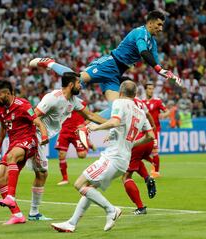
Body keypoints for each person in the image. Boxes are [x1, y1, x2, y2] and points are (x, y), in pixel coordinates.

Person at [0, 72, 107, 221]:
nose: (81, 85)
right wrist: (32, 136)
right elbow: (34, 116)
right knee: (36, 172)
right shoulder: (52, 98)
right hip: (34, 136)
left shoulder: (74, 101)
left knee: (16, 167)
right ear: (71, 84)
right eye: (79, 83)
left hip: (40, 137)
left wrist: (111, 123)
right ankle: (32, 212)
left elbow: (91, 115)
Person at [29, 10, 181, 118]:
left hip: (116, 74)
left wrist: (168, 73)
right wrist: (160, 69)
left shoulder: (152, 42)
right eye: (159, 24)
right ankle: (50, 63)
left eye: (162, 25)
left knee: (116, 109)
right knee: (76, 79)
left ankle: (87, 125)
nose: (161, 28)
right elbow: (144, 53)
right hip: (109, 64)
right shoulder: (140, 33)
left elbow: (155, 63)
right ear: (150, 23)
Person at [51, 80, 155, 233]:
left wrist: (96, 127)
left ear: (120, 93)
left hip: (112, 158)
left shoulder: (119, 102)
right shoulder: (140, 111)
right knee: (90, 188)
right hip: (123, 159)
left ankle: (111, 210)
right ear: (135, 94)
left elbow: (114, 121)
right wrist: (130, 144)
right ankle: (71, 223)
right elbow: (150, 136)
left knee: (79, 184)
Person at [0, 80, 49, 225]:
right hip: (13, 144)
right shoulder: (1, 108)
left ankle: (11, 197)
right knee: (0, 178)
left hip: (29, 141)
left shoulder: (23, 105)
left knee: (11, 156)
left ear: (7, 93)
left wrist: (44, 136)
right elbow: (3, 126)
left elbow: (38, 122)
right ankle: (17, 215)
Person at [55, 101, 96, 185]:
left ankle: (87, 142)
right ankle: (65, 179)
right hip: (64, 131)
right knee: (61, 154)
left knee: (82, 155)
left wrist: (84, 124)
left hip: (77, 132)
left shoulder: (81, 103)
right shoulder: (60, 101)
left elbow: (90, 116)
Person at [142, 81, 170, 178]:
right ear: (145, 90)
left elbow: (167, 111)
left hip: (154, 130)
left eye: (152, 89)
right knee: (141, 151)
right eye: (149, 89)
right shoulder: (142, 102)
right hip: (144, 131)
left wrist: (164, 115)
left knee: (154, 151)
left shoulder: (157, 101)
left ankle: (156, 172)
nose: (151, 91)